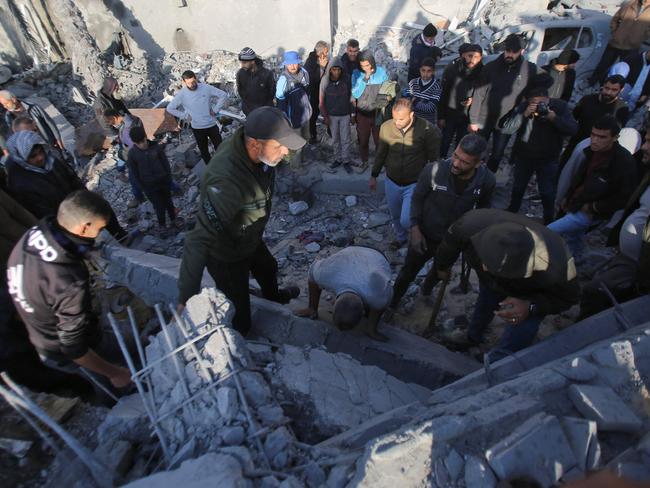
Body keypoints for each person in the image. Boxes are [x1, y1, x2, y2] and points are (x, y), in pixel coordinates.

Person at [177, 107, 305, 335]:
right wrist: (186, 297)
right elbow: (199, 239)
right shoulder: (226, 179)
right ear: (255, 144)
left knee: (268, 267)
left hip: (248, 235)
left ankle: (274, 298)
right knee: (240, 315)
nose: (285, 152)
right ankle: (241, 341)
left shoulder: (258, 152)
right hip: (226, 253)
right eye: (279, 146)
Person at [6, 190, 133, 397]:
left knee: (122, 346)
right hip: (64, 348)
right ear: (84, 228)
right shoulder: (68, 280)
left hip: (40, 329)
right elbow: (75, 349)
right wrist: (116, 373)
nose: (100, 234)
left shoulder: (40, 230)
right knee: (111, 380)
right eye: (99, 229)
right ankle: (120, 394)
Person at [435, 208, 580, 359]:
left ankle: (498, 363)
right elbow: (449, 244)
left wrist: (531, 306)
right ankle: (473, 336)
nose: (484, 267)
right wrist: (442, 266)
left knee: (522, 327)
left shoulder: (558, 265)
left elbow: (569, 298)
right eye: (485, 262)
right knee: (486, 301)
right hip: (493, 282)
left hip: (530, 292)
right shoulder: (469, 225)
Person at [388, 134, 495, 313]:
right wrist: (414, 229)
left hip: (453, 241)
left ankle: (426, 292)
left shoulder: (487, 181)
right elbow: (417, 199)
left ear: (479, 164)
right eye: (456, 155)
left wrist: (472, 239)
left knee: (439, 271)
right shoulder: (434, 170)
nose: (456, 163)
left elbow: (483, 212)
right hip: (424, 234)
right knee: (407, 272)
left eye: (464, 162)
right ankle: (392, 303)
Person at [4, 131, 129, 241]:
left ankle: (120, 236)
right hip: (60, 219)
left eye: (40, 152)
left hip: (74, 200)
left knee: (102, 207)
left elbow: (72, 178)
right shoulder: (20, 183)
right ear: (22, 158)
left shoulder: (51, 160)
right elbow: (42, 212)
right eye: (33, 156)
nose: (40, 158)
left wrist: (87, 198)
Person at [579, 128, 650, 319]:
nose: (643, 147)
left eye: (649, 142)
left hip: (639, 271)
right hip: (628, 256)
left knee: (595, 293)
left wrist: (641, 283)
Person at [549, 115, 637, 257]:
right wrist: (568, 196)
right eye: (593, 135)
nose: (595, 140)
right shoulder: (592, 151)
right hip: (578, 203)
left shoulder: (624, 163)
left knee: (548, 231)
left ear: (615, 138)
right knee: (573, 238)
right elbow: (581, 177)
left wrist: (593, 207)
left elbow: (623, 198)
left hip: (590, 212)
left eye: (602, 137)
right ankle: (576, 260)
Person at [370, 98, 441, 249]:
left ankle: (418, 234)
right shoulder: (386, 127)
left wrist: (433, 183)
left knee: (406, 220)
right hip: (392, 181)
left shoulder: (427, 130)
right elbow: (381, 153)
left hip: (414, 183)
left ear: (412, 115)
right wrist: (374, 175)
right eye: (394, 118)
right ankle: (401, 238)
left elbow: (434, 159)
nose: (397, 123)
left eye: (401, 119)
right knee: (395, 215)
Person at [501, 85, 578, 223]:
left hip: (548, 158)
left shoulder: (560, 107)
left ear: (548, 99)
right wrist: (523, 115)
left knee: (546, 191)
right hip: (524, 156)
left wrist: (553, 117)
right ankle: (512, 210)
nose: (537, 106)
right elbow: (507, 129)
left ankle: (548, 218)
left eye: (541, 102)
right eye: (534, 103)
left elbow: (572, 129)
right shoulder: (524, 107)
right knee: (518, 186)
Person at [469, 34, 542, 172]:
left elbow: (546, 80)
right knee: (476, 150)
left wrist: (532, 98)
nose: (510, 55)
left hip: (506, 121)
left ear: (522, 51)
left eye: (514, 52)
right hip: (484, 118)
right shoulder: (490, 68)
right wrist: (473, 120)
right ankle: (473, 175)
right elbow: (478, 94)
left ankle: (488, 178)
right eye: (508, 51)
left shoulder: (528, 69)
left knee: (497, 153)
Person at [295, 246, 392, 341]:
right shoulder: (324, 274)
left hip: (376, 255)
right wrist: (312, 308)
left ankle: (369, 326)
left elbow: (379, 308)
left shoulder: (378, 294)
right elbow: (312, 278)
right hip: (351, 252)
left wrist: (372, 330)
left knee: (375, 304)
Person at [561, 75, 630, 168]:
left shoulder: (621, 109)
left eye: (614, 90)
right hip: (575, 145)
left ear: (621, 90)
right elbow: (572, 119)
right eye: (607, 88)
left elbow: (615, 134)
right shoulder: (587, 100)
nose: (608, 92)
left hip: (597, 153)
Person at [166, 70, 227, 165]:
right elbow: (170, 108)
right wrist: (185, 116)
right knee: (204, 152)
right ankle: (210, 171)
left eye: (194, 81)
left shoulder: (206, 88)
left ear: (196, 78)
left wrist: (215, 110)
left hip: (211, 124)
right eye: (189, 83)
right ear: (184, 82)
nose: (192, 85)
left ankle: (224, 167)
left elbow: (223, 95)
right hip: (197, 128)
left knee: (220, 148)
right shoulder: (182, 94)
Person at [127, 125, 177, 233]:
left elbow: (165, 163)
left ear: (146, 137)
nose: (142, 145)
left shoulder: (156, 147)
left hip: (163, 181)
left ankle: (174, 219)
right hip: (149, 186)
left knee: (168, 202)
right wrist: (143, 187)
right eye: (138, 143)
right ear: (134, 143)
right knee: (159, 206)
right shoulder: (132, 155)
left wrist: (168, 178)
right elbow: (135, 174)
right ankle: (162, 224)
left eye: (143, 141)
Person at [588, 0, 650, 85]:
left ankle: (614, 91)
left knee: (624, 71)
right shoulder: (630, 4)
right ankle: (592, 84)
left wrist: (641, 37)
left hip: (632, 46)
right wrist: (615, 33)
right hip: (616, 42)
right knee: (602, 66)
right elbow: (615, 19)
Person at [438, 43, 484, 158]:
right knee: (445, 141)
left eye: (476, 57)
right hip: (450, 114)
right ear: (464, 55)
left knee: (462, 143)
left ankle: (456, 162)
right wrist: (441, 116)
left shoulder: (483, 73)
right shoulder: (453, 69)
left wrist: (473, 101)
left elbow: (483, 96)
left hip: (466, 116)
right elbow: (444, 94)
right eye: (470, 56)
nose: (472, 59)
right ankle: (441, 162)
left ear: (481, 58)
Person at [351, 50, 390, 170]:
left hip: (378, 114)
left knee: (379, 141)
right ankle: (365, 161)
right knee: (363, 141)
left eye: (367, 65)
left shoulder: (381, 72)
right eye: (362, 65)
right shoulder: (356, 73)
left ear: (372, 62)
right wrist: (365, 78)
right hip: (362, 114)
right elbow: (356, 94)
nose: (365, 68)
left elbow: (387, 90)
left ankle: (380, 164)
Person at [275, 51, 312, 170]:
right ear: (285, 65)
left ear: (299, 63)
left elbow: (308, 91)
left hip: (305, 115)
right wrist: (286, 120)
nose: (292, 66)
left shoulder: (304, 73)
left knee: (306, 138)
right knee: (296, 144)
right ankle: (296, 167)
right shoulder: (283, 80)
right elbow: (280, 102)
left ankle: (302, 160)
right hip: (293, 118)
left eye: (295, 63)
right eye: (289, 64)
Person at [320, 58, 353, 168]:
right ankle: (337, 159)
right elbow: (321, 100)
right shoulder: (325, 81)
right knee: (335, 139)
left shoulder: (347, 79)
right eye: (334, 69)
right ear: (330, 70)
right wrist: (325, 116)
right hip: (332, 116)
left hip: (345, 114)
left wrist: (352, 114)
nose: (336, 72)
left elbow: (352, 97)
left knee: (346, 139)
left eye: (339, 69)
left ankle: (346, 160)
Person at [304, 41, 331, 143]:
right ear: (321, 52)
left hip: (324, 92)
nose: (327, 54)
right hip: (314, 94)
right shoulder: (311, 62)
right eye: (326, 52)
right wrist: (322, 67)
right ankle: (312, 136)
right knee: (313, 115)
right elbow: (313, 79)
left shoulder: (321, 59)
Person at [236, 47, 276, 116]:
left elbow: (272, 92)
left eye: (244, 63)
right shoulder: (240, 73)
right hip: (249, 111)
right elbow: (240, 91)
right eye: (241, 63)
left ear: (252, 61)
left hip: (265, 111)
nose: (242, 65)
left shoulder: (266, 74)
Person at [408, 57, 442, 125]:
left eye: (429, 71)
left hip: (427, 124)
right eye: (423, 70)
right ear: (419, 70)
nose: (425, 74)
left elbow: (430, 108)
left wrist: (415, 102)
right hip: (412, 121)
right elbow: (406, 102)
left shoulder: (436, 86)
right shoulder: (413, 83)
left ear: (433, 71)